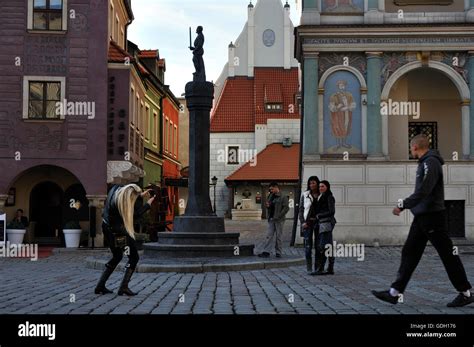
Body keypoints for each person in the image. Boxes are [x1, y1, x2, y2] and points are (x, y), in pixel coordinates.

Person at [372, 134, 473, 307]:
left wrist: (403, 204)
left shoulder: (430, 162)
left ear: (415, 147)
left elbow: (425, 190)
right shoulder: (426, 162)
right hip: (422, 217)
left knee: (447, 255)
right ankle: (394, 293)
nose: (411, 150)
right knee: (409, 252)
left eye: (411, 147)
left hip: (432, 217)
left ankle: (465, 293)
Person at [95, 184, 155, 296]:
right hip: (119, 233)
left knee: (117, 256)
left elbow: (128, 195)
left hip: (107, 228)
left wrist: (139, 195)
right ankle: (123, 287)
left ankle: (100, 285)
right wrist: (148, 204)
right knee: (133, 257)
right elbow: (135, 215)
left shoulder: (115, 189)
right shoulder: (121, 205)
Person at [258, 182, 289, 258]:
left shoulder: (283, 196)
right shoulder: (270, 195)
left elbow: (286, 208)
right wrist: (268, 206)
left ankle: (278, 252)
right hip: (271, 219)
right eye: (270, 189)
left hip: (279, 220)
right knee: (269, 235)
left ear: (276, 187)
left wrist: (279, 216)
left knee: (279, 236)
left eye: (272, 189)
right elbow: (269, 205)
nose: (271, 190)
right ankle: (266, 252)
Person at [313, 180, 336, 275]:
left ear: (327, 187)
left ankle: (321, 268)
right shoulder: (321, 197)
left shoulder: (329, 197)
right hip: (322, 223)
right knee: (328, 246)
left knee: (322, 246)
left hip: (326, 223)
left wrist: (319, 215)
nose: (320, 188)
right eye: (319, 187)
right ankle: (330, 268)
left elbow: (332, 211)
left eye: (322, 186)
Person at [298, 176, 320, 274]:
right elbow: (301, 209)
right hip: (308, 223)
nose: (311, 185)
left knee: (318, 246)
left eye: (313, 183)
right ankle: (309, 268)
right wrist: (303, 222)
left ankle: (317, 267)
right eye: (310, 183)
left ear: (317, 183)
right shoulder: (305, 194)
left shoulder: (321, 195)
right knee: (308, 246)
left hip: (319, 223)